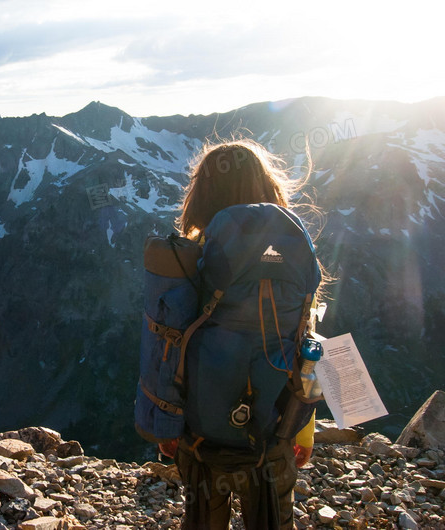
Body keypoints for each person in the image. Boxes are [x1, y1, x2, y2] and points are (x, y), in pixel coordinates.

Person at [166, 139, 321, 530]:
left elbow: (166, 343)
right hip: (275, 433)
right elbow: (306, 347)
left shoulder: (190, 255)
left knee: (203, 520)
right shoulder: (291, 250)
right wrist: (302, 429)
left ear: (201, 193)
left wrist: (163, 423)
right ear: (268, 186)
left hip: (201, 437)